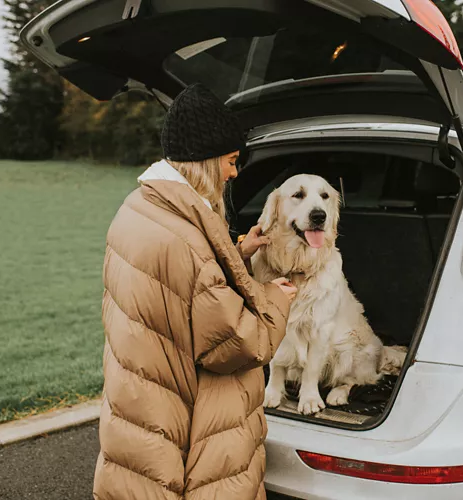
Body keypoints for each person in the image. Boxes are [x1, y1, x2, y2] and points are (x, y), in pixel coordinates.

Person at [93, 83, 296, 500]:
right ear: (205, 162)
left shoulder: (137, 207)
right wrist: (275, 297)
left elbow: (176, 285)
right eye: (231, 161)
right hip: (181, 414)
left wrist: (238, 251)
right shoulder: (189, 240)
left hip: (138, 398)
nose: (235, 173)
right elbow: (235, 344)